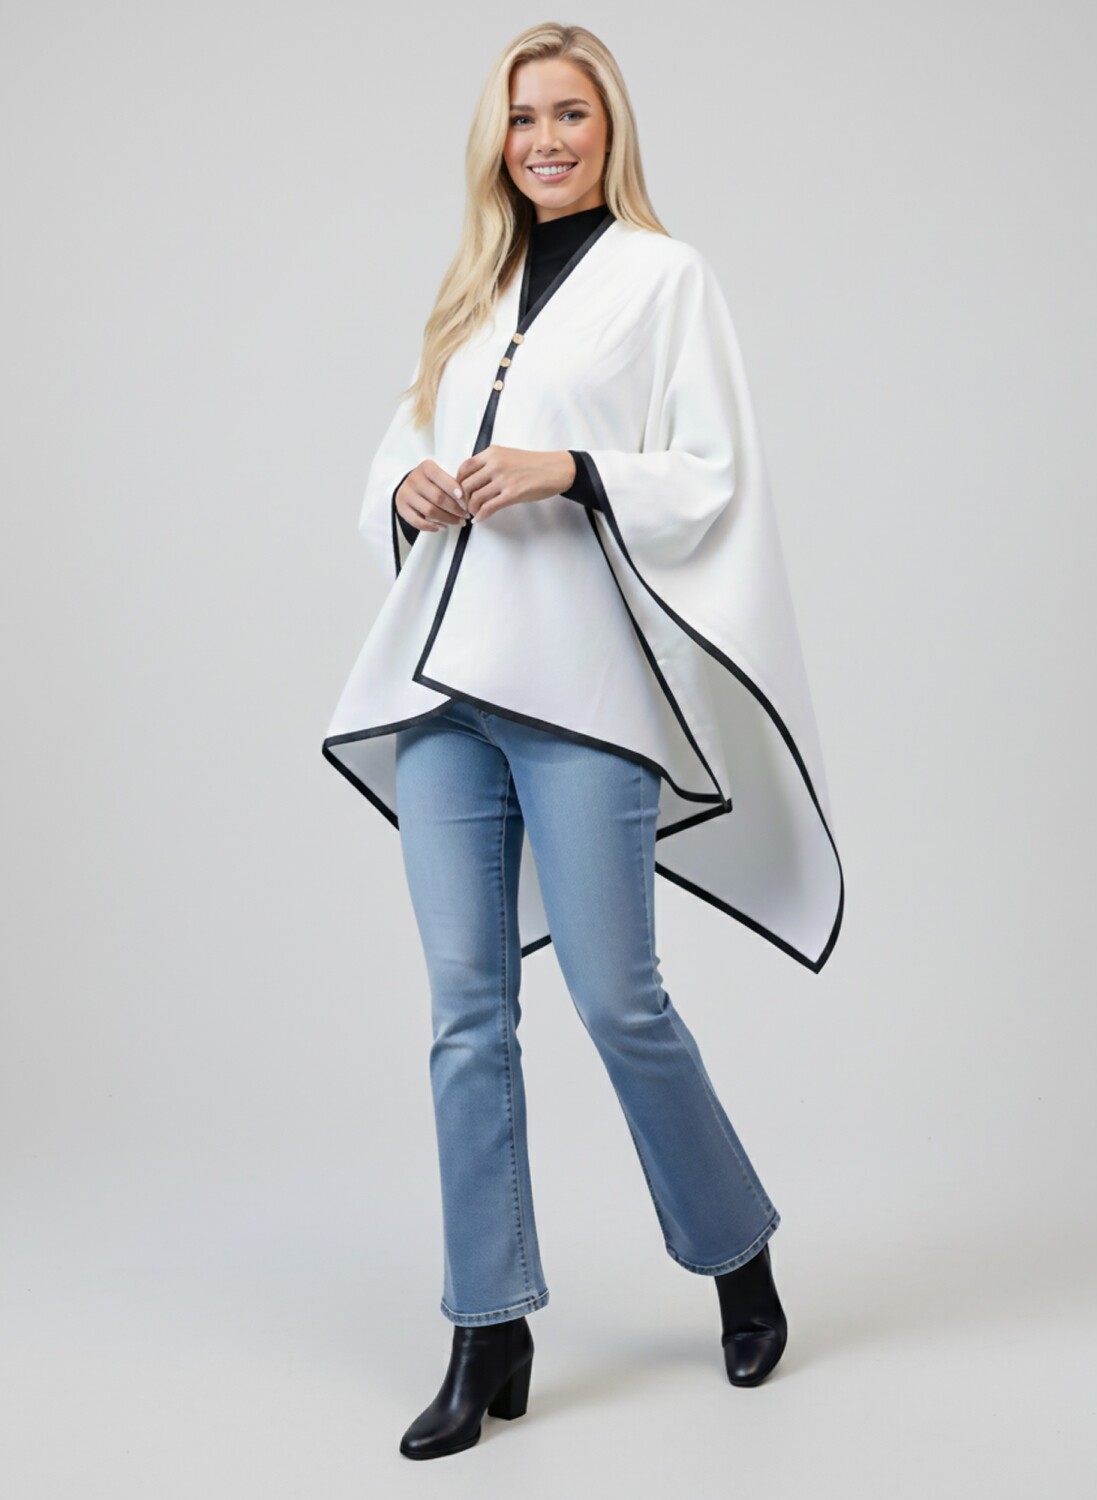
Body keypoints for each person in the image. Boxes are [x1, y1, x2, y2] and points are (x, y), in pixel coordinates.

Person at [321, 22, 845, 1461]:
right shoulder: (473, 289)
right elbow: (398, 446)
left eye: (569, 114)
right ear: (494, 142)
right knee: (464, 1013)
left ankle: (734, 1251)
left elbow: (715, 472)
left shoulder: (665, 279)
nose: (544, 140)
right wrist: (408, 488)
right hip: (442, 694)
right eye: (522, 119)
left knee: (620, 999)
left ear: (610, 129)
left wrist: (570, 467)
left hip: (580, 692)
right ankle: (485, 1327)